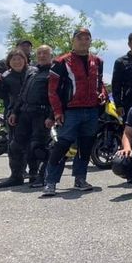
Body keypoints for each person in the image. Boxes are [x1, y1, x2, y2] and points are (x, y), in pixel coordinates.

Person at [43, 28, 107, 197]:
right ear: (73, 41)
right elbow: (52, 91)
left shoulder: (98, 61)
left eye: (87, 38)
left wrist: (102, 94)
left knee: (85, 147)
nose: (84, 41)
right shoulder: (61, 61)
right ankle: (50, 182)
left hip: (92, 110)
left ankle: (80, 179)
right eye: (80, 38)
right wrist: (57, 112)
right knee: (62, 146)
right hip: (70, 111)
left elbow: (100, 83)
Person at [3, 45, 55, 189]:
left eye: (45, 53)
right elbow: (22, 94)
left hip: (41, 114)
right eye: (39, 53)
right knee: (15, 145)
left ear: (51, 56)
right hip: (24, 113)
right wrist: (14, 112)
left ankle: (39, 176)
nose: (42, 55)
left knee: (37, 147)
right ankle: (16, 176)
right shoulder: (32, 71)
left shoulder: (54, 72)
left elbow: (57, 96)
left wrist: (52, 116)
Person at [0, 48, 35, 188]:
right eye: (14, 59)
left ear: (25, 60)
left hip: (34, 112)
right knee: (14, 146)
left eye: (19, 58)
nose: (17, 61)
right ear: (9, 62)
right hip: (15, 114)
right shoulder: (6, 76)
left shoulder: (33, 72)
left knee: (35, 144)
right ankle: (16, 176)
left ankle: (35, 175)